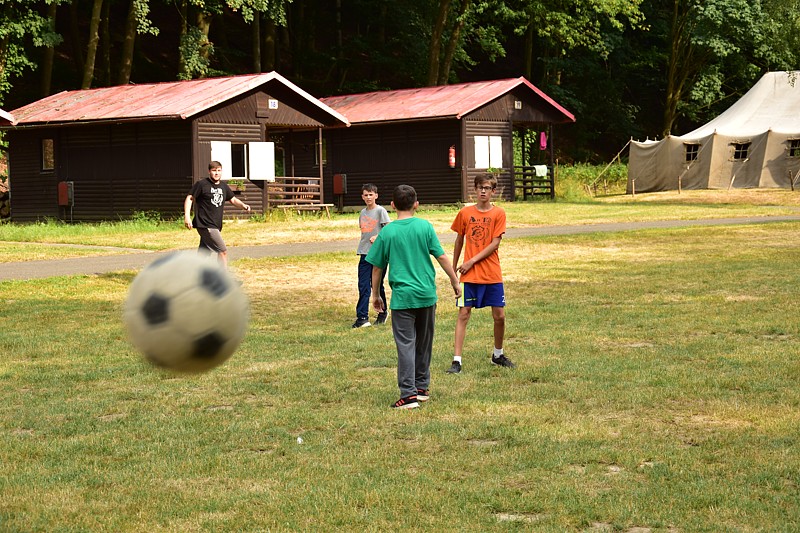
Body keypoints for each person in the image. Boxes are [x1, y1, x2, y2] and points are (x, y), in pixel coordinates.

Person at [366, 185, 461, 409]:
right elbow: (441, 257)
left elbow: (377, 268)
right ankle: (421, 387)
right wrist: (454, 280)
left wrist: (376, 294)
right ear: (416, 204)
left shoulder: (387, 232)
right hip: (427, 295)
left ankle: (408, 394)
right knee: (424, 342)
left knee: (406, 345)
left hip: (403, 298)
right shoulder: (425, 227)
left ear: (392, 205)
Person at [446, 174, 515, 374]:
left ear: (493, 191)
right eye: (480, 188)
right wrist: (454, 268)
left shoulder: (499, 213)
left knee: (499, 315)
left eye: (487, 188)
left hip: (491, 273)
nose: (483, 191)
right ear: (475, 190)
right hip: (469, 276)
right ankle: (456, 360)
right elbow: (459, 240)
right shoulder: (465, 213)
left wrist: (471, 261)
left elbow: (495, 243)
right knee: (463, 313)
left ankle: (498, 354)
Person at [184, 161, 251, 268]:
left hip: (215, 224)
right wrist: (187, 216)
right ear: (209, 171)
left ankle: (197, 277)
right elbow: (190, 198)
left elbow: (233, 199)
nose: (216, 173)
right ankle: (223, 280)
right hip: (205, 224)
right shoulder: (202, 184)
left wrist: (243, 205)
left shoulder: (223, 186)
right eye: (214, 170)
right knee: (222, 250)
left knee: (204, 254)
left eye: (219, 170)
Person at [353, 183, 391, 328]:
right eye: (365, 195)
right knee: (363, 285)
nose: (368, 197)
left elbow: (389, 230)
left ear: (376, 195)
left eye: (371, 194)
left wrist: (378, 236)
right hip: (364, 252)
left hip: (378, 254)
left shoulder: (381, 211)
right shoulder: (363, 213)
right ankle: (362, 317)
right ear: (362, 197)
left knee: (377, 284)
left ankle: (382, 312)